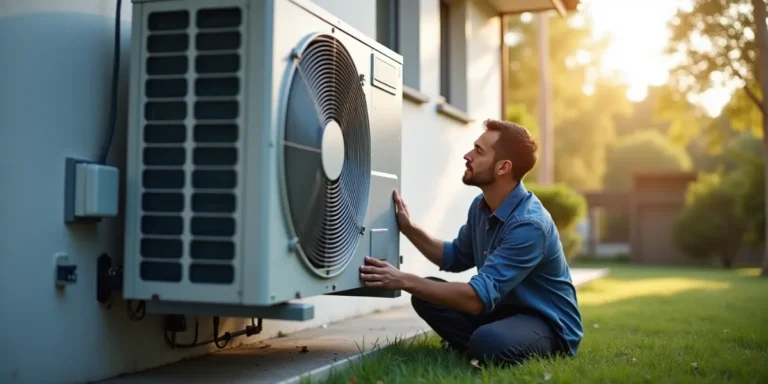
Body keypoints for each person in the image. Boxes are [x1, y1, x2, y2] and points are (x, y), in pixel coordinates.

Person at [359, 118, 583, 366]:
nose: (467, 155)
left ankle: (482, 345)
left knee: (487, 341)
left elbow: (475, 299)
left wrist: (401, 279)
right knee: (426, 294)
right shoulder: (481, 206)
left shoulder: (529, 225)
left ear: (502, 168)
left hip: (546, 323)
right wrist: (409, 229)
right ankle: (479, 345)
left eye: (478, 151)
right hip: (500, 312)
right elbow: (453, 257)